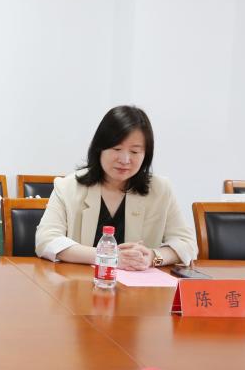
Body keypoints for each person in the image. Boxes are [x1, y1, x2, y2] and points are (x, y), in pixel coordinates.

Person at [35, 105, 196, 270]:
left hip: (138, 285)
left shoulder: (160, 190)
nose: (125, 160)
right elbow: (46, 240)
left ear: (145, 155)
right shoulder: (68, 187)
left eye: (134, 152)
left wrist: (153, 256)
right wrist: (108, 257)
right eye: (117, 149)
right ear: (100, 148)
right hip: (79, 282)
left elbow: (187, 244)